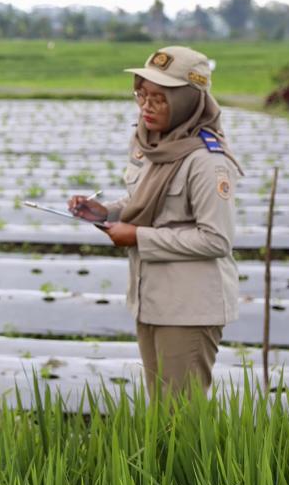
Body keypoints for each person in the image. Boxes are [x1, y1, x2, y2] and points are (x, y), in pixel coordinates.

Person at [69, 46, 242, 396]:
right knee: (161, 412)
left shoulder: (207, 160)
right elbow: (145, 202)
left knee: (180, 416)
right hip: (152, 298)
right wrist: (106, 212)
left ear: (186, 102)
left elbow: (216, 240)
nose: (146, 106)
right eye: (141, 95)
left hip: (188, 307)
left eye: (159, 99)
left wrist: (138, 237)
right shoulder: (153, 144)